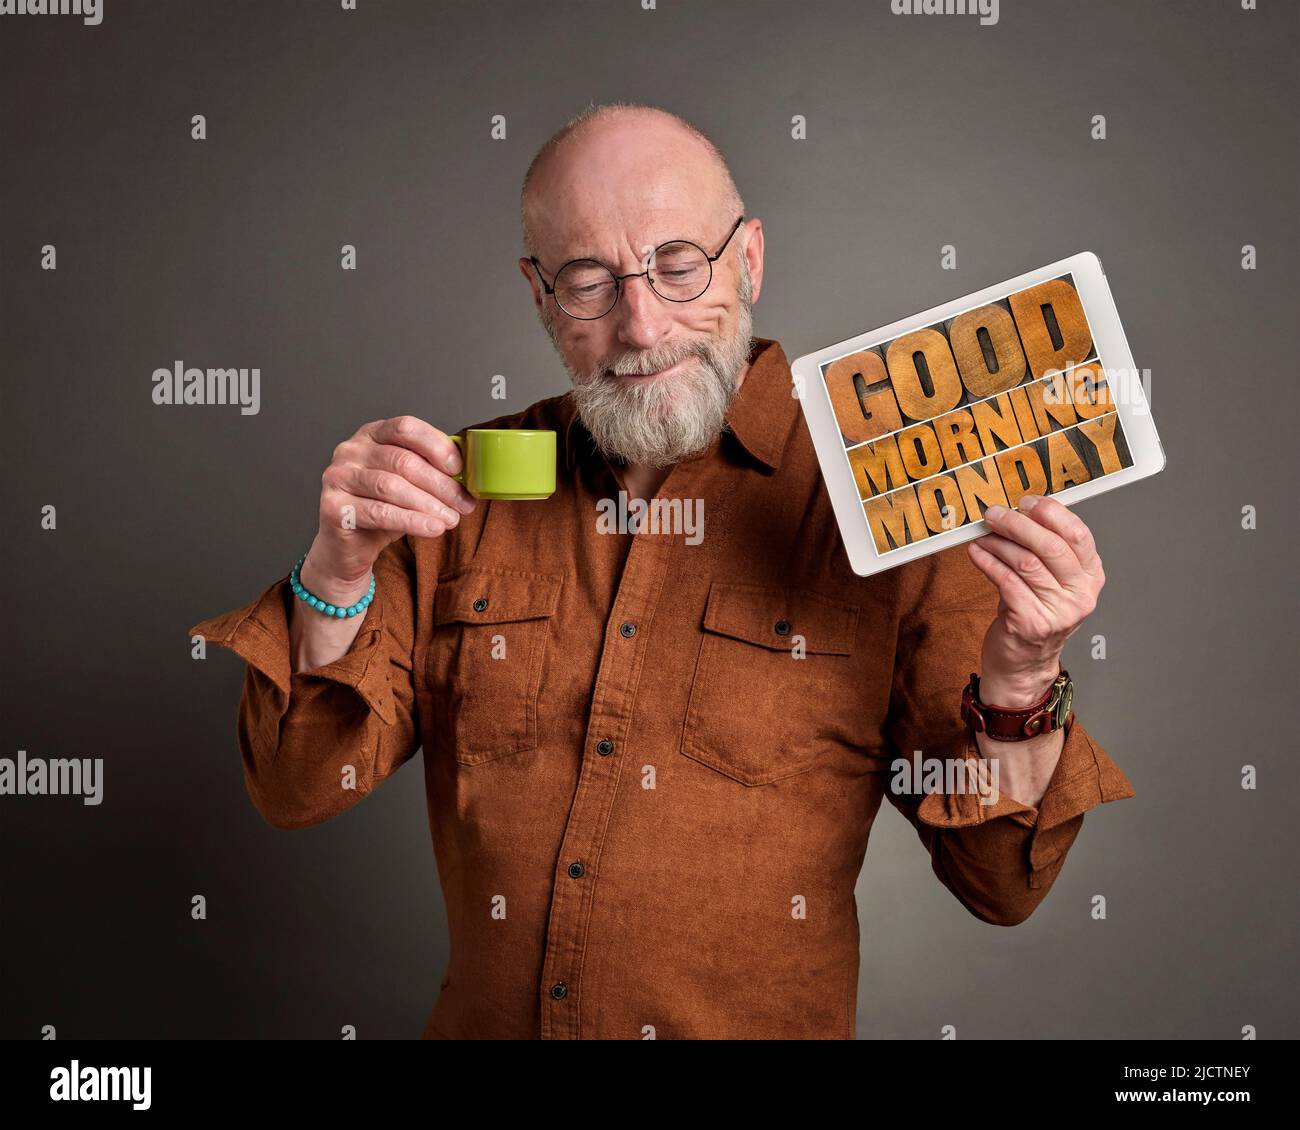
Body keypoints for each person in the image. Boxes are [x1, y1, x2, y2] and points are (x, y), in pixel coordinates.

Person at [188, 101, 1134, 1040]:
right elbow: (298, 785)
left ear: (750, 258)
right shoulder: (455, 490)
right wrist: (336, 569)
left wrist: (1020, 681)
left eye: (679, 266)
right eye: (590, 281)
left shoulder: (889, 495)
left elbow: (1003, 885)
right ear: (539, 292)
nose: (642, 325)